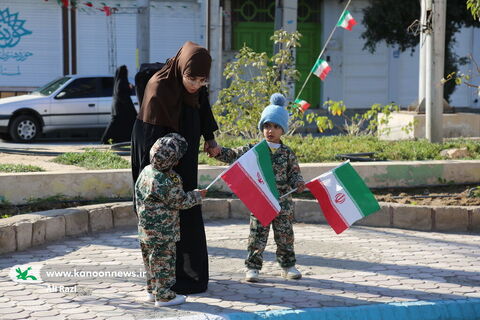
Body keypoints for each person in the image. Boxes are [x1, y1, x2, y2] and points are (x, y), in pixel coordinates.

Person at [131, 41, 218, 294]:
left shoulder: (196, 87)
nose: (196, 85)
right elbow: (150, 142)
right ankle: (160, 281)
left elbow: (204, 112)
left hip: (184, 157)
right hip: (158, 157)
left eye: (202, 80)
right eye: (192, 79)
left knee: (187, 208)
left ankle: (190, 276)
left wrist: (210, 139)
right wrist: (164, 172)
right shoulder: (159, 87)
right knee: (161, 217)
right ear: (182, 69)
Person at [209, 93, 305, 282]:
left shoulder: (287, 153)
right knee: (257, 236)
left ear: (283, 130)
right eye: (267, 125)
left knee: (285, 235)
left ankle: (288, 265)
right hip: (261, 199)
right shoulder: (255, 150)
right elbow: (233, 155)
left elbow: (294, 173)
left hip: (283, 202)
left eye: (276, 126)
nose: (271, 130)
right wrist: (218, 151)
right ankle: (252, 267)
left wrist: (298, 183)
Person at [135, 133, 207, 307]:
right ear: (173, 161)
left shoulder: (146, 171)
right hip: (163, 231)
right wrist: (197, 195)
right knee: (164, 263)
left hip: (145, 230)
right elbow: (180, 201)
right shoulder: (167, 180)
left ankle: (153, 291)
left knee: (151, 261)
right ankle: (165, 296)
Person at [101, 65, 137, 143]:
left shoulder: (119, 80)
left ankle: (112, 139)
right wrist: (129, 89)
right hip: (123, 106)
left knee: (120, 123)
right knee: (122, 122)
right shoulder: (122, 81)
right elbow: (121, 93)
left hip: (119, 106)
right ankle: (106, 139)